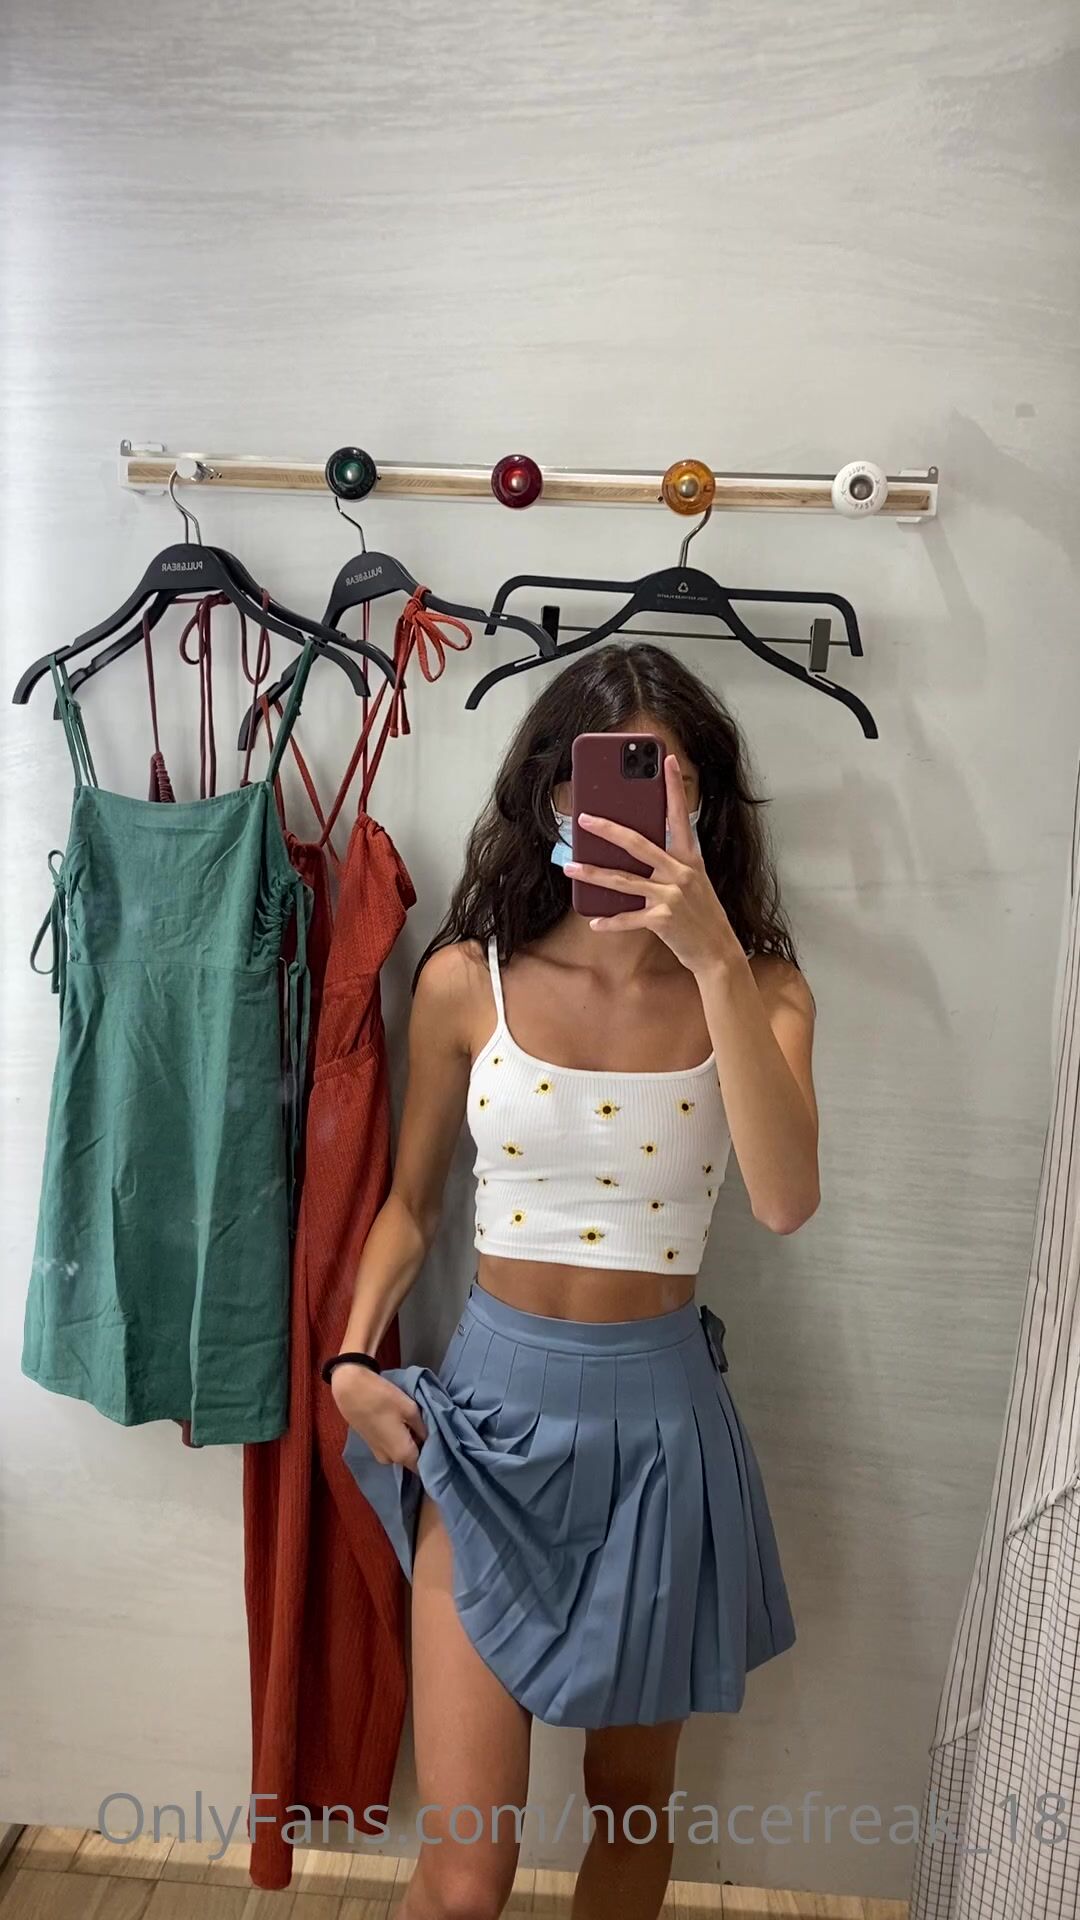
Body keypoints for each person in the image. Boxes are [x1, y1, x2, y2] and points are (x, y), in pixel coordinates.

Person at [329, 643, 820, 1920]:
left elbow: (784, 1201)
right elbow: (410, 1209)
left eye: (665, 778)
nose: (631, 807)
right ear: (553, 795)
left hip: (660, 1440)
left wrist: (713, 962)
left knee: (631, 1809)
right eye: (598, 779)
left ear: (704, 800)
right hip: (485, 1433)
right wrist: (350, 1360)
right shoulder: (467, 980)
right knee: (463, 1878)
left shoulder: (763, 990)